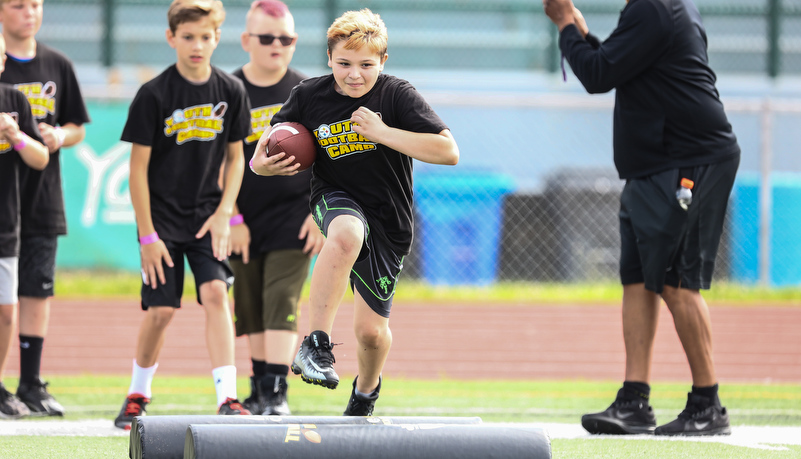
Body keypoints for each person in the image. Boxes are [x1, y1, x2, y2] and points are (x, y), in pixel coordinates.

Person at [543, 0, 740, 436]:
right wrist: (576, 28)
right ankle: (635, 400)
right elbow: (610, 64)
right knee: (637, 278)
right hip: (653, 167)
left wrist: (564, 25)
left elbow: (597, 76)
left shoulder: (654, 7)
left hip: (687, 160)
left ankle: (708, 405)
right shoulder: (656, 8)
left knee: (676, 281)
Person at [251, 8, 459, 416]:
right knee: (346, 233)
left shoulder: (396, 95)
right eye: (344, 63)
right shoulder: (309, 96)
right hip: (335, 196)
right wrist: (262, 164)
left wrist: (383, 132)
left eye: (366, 65)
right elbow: (263, 153)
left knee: (371, 332)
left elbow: (449, 151)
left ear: (383, 62)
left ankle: (365, 393)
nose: (354, 74)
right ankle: (316, 344)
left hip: (389, 219)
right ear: (329, 58)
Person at [113, 0, 252, 430]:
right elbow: (136, 171)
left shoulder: (231, 91)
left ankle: (227, 398)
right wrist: (148, 237)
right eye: (188, 37)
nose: (197, 45)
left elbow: (236, 159)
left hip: (207, 218)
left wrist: (226, 212)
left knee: (215, 294)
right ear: (171, 38)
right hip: (162, 224)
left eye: (206, 37)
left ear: (217, 38)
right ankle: (137, 393)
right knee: (161, 311)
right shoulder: (154, 94)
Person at [229, 0, 324, 416]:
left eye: (284, 39)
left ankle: (277, 392)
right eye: (266, 38)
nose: (276, 45)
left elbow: (332, 160)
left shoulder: (307, 92)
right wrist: (231, 218)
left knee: (281, 299)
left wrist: (319, 216)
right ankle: (258, 387)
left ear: (295, 42)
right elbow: (217, 162)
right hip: (242, 216)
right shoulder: (228, 90)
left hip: (294, 214)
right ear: (247, 40)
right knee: (249, 304)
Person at [0, 0, 90, 417]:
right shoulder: (4, 73)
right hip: (5, 197)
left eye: (34, 4)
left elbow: (77, 127)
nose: (29, 12)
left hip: (41, 194)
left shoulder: (58, 63)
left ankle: (31, 382)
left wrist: (59, 137)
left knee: (37, 289)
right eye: (17, 5)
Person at [0, 34, 50, 420]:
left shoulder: (15, 101)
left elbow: (40, 157)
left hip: (6, 224)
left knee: (5, 311)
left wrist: (16, 136)